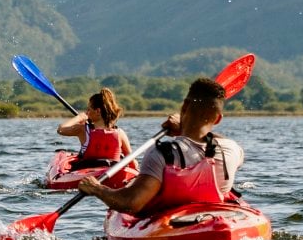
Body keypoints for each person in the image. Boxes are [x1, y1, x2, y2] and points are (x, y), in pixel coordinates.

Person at [76, 77, 244, 216]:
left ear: (184, 106)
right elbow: (205, 143)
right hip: (216, 220)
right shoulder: (233, 149)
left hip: (171, 229)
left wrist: (97, 189)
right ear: (218, 119)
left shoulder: (161, 153)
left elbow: (131, 203)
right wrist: (184, 131)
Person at [57, 88, 131, 169]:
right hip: (113, 174)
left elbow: (61, 129)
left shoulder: (83, 130)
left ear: (98, 111)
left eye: (89, 109)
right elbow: (132, 160)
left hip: (87, 175)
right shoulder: (120, 133)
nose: (87, 112)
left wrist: (79, 117)